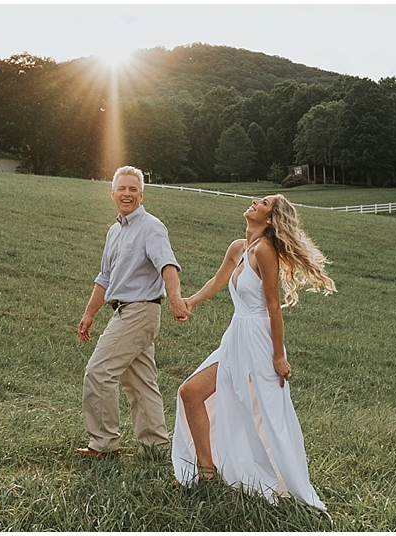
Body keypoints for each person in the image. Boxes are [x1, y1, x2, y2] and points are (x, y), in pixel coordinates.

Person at [171, 194, 335, 511]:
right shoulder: (239, 247)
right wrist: (190, 301)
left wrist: (279, 356)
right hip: (236, 337)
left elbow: (274, 308)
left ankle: (280, 482)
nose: (254, 202)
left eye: (263, 203)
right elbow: (217, 282)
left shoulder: (264, 251)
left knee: (268, 415)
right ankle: (207, 471)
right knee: (190, 392)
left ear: (270, 219)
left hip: (259, 340)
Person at [77, 165, 191, 459]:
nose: (127, 194)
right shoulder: (114, 231)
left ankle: (103, 445)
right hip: (123, 312)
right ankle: (156, 448)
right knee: (140, 382)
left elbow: (167, 264)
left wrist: (176, 298)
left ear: (141, 194)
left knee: (99, 373)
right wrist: (90, 314)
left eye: (133, 189)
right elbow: (105, 278)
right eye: (122, 188)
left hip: (140, 312)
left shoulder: (151, 227)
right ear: (112, 193)